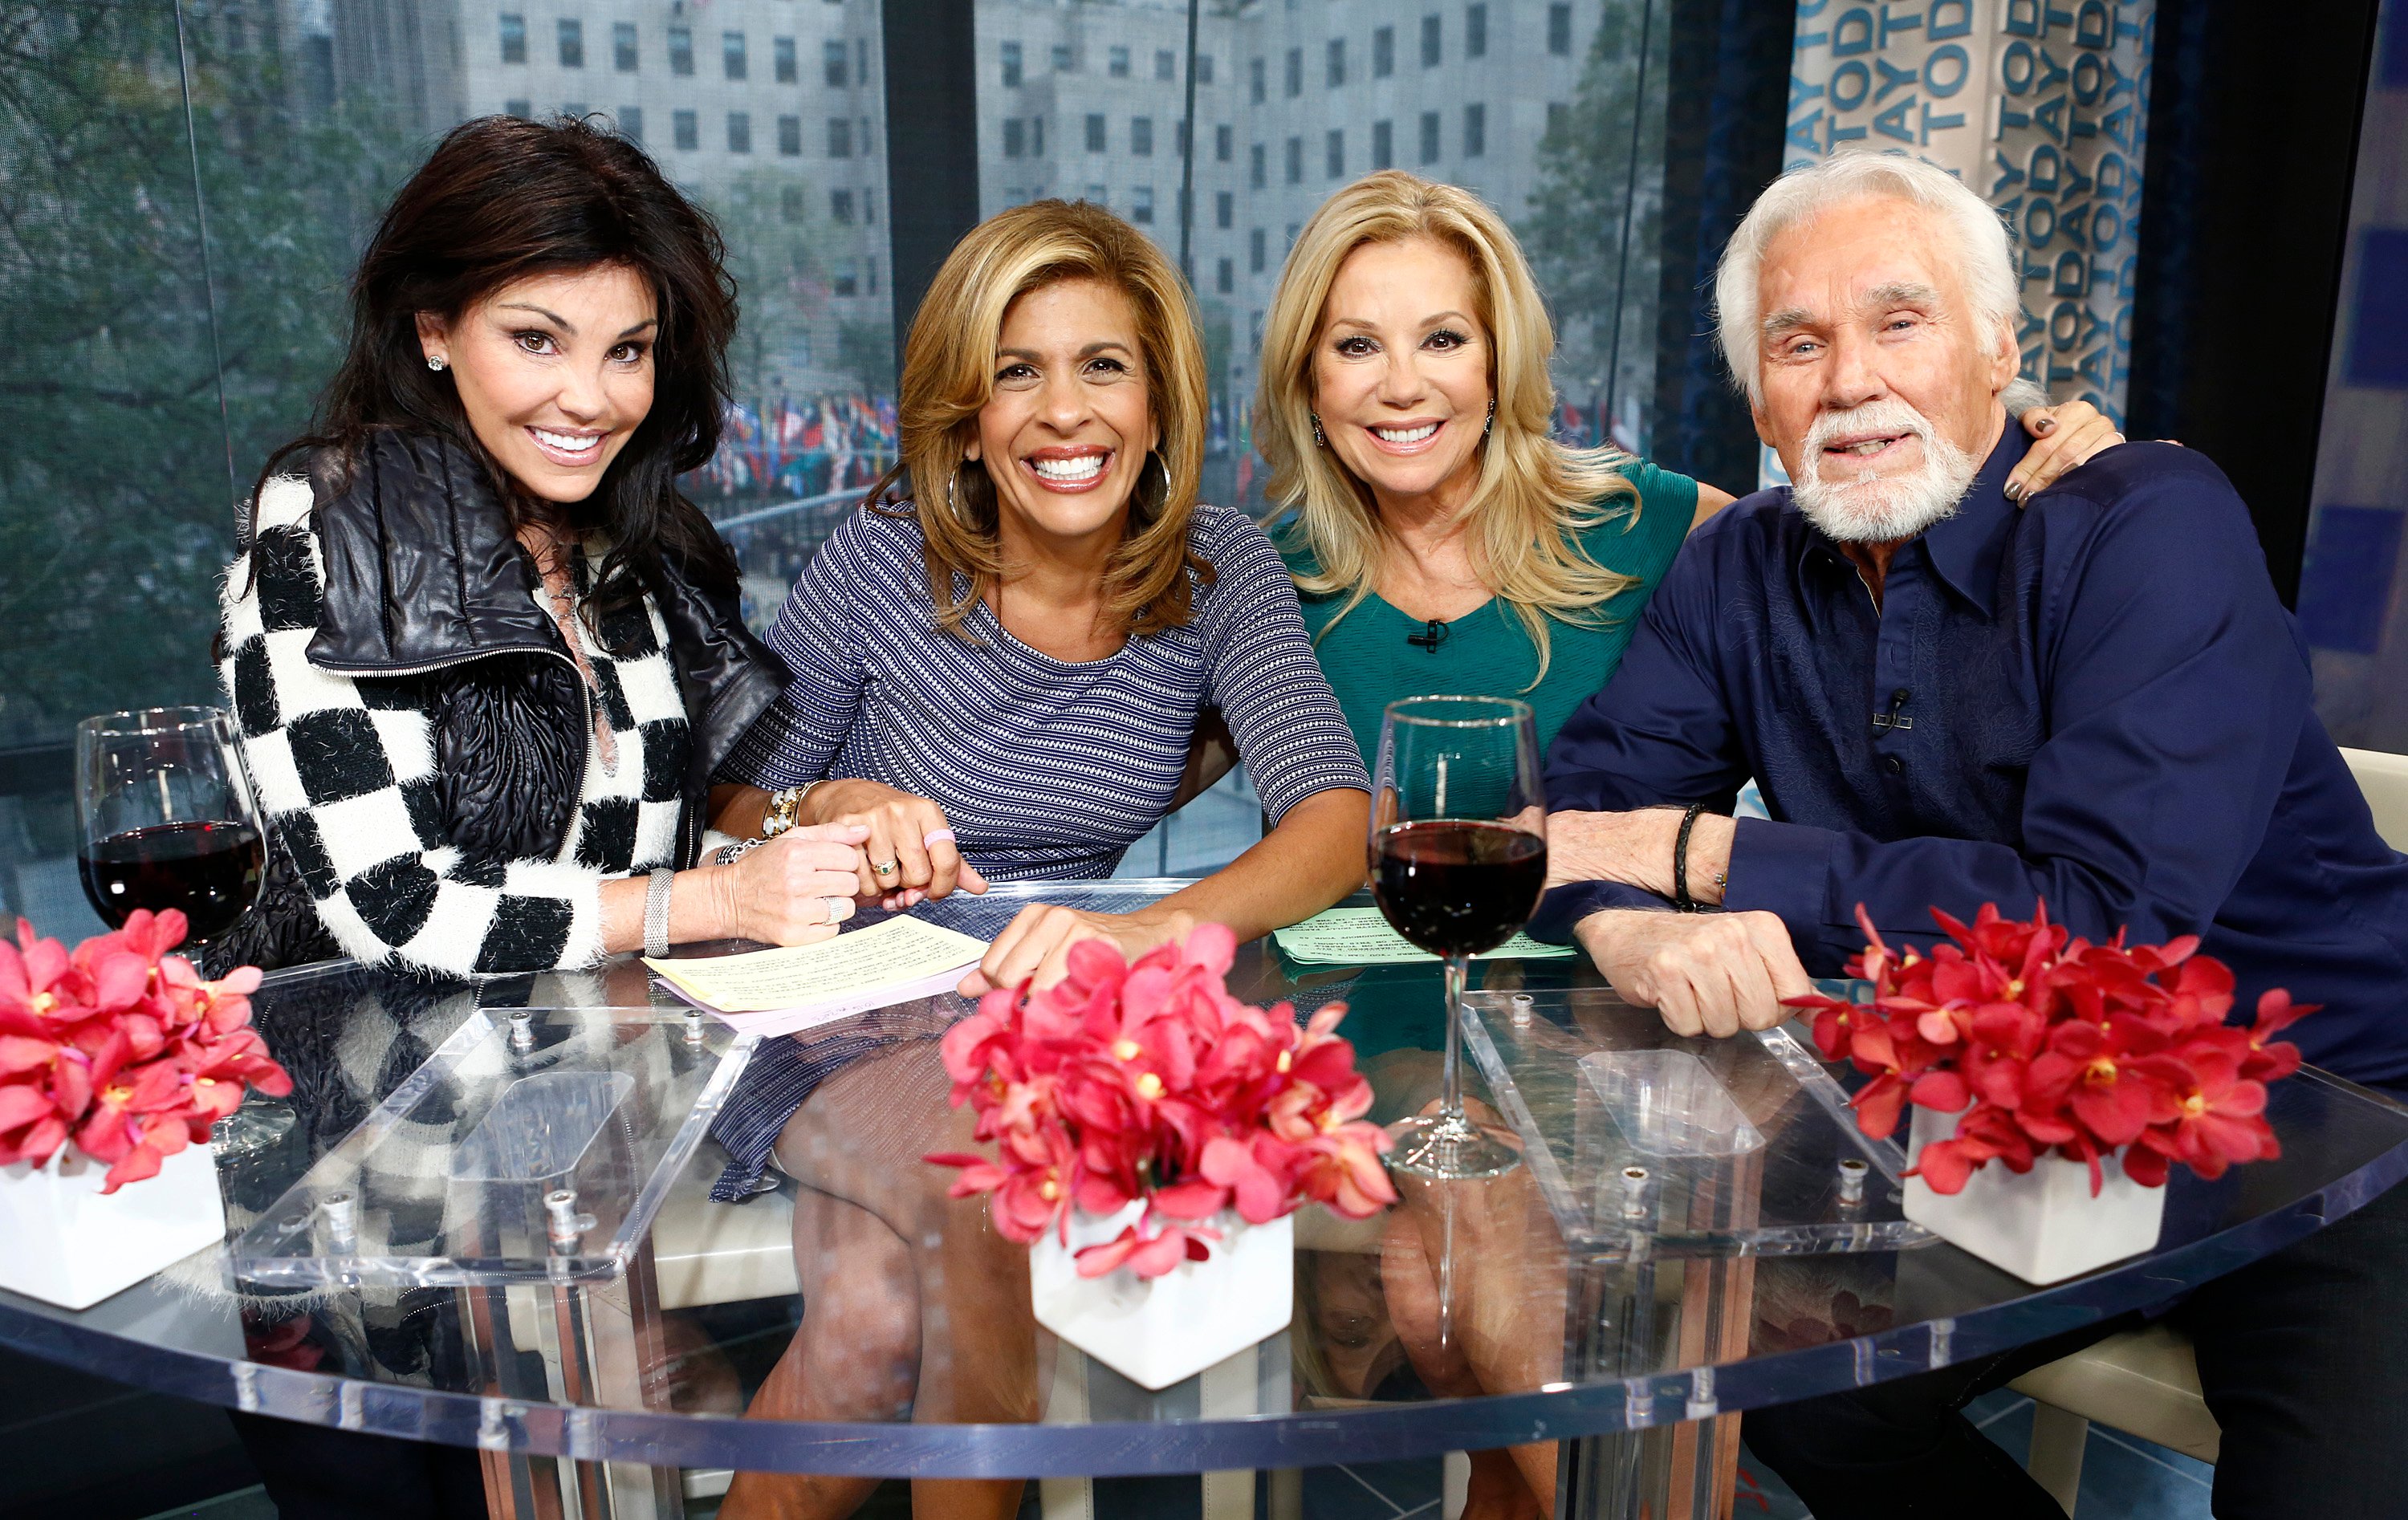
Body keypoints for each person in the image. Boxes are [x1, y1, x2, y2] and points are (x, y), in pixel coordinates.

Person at [1534, 150, 2408, 1519]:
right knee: (1795, 1393)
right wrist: (1625, 913)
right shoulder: (1739, 563)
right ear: (1756, 393)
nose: (1849, 380)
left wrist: (1704, 858)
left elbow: (2105, 919)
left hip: (2334, 1119)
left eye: (1901, 320)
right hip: (2013, 1126)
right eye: (1798, 340)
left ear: (2000, 348)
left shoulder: (2147, 521)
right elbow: (1579, 811)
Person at [711, 199, 1370, 1520]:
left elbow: (1335, 818)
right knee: (986, 1202)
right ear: (967, 411)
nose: (1064, 411)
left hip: (1060, 1003)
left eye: (1102, 365)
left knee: (869, 1328)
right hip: (846, 991)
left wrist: (1149, 931)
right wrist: (829, 800)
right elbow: (727, 808)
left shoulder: (1219, 566)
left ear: (1158, 399)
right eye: (1019, 369)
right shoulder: (878, 559)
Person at [215, 116, 876, 988]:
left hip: (602, 1071)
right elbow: (395, 902)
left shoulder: (630, 550)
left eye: (627, 351)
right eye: (537, 340)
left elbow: (627, 860)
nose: (590, 400)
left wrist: (806, 867)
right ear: (435, 330)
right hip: (380, 1086)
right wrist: (722, 900)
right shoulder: (325, 532)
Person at [1251, 169, 2125, 766]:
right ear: (1310, 379)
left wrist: (2057, 449)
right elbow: (1126, 769)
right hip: (1329, 1014)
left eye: (1443, 339)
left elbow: (1871, 526)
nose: (1403, 386)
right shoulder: (1259, 580)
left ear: (1496, 365)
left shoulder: (1650, 522)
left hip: (1586, 1008)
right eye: (1357, 345)